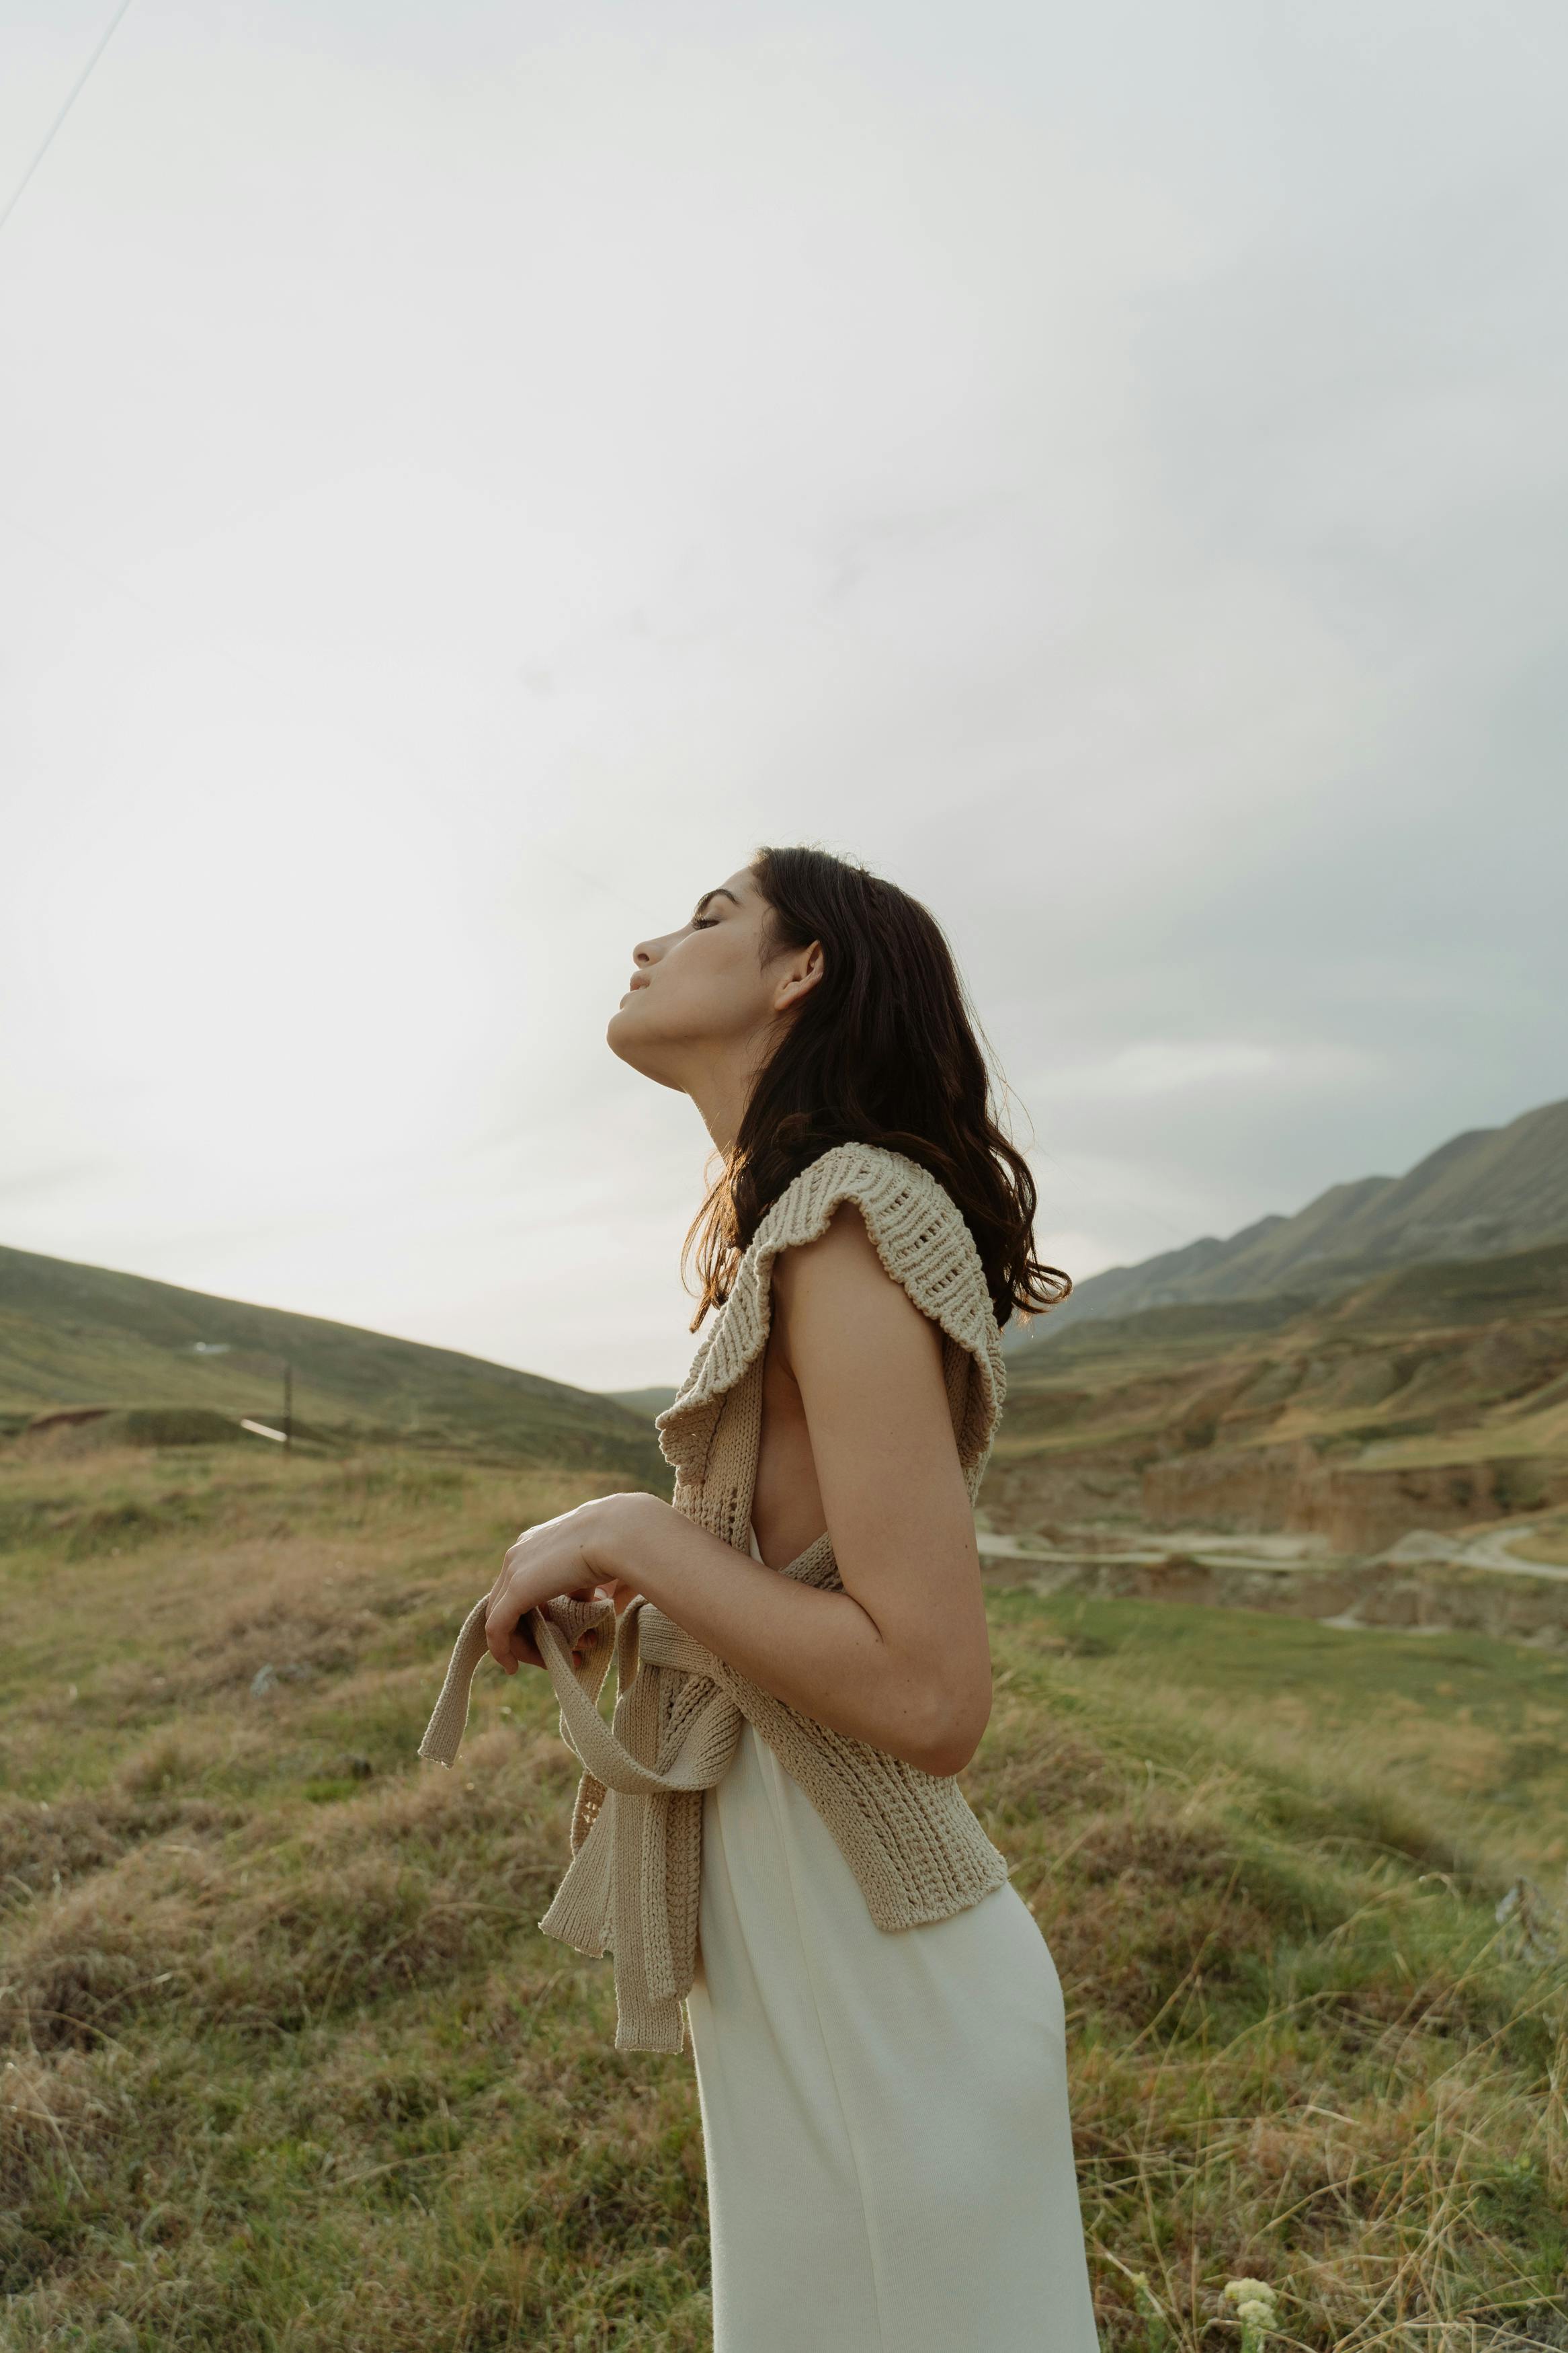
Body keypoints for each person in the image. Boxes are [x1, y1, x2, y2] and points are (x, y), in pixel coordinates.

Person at [423, 844, 1100, 2352]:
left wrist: (630, 1533)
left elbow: (930, 1696)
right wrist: (651, 1622)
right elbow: (815, 1614)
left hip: (886, 1991)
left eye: (712, 916)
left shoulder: (851, 1219)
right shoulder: (796, 1234)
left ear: (804, 971)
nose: (655, 940)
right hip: (809, 1956)